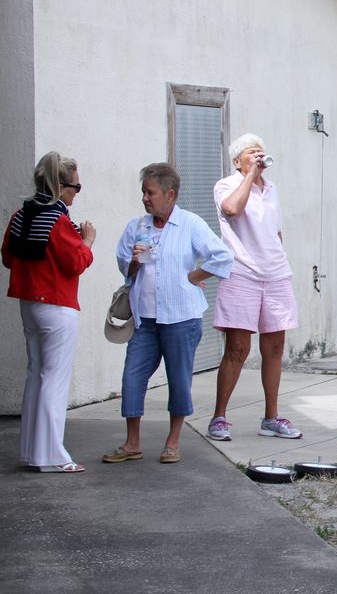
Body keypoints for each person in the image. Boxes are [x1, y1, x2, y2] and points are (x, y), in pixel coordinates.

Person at [102, 163, 232, 465]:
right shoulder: (138, 226)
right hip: (145, 320)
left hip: (181, 318)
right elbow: (125, 267)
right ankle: (132, 442)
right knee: (132, 377)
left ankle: (173, 441)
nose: (145, 198)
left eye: (151, 192)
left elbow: (223, 256)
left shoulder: (190, 224)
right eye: (144, 192)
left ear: (170, 194)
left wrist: (194, 274)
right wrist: (133, 262)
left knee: (178, 379)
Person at [2, 152, 96, 473]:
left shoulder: (19, 215)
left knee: (36, 375)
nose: (75, 193)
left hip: (29, 304)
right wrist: (88, 242)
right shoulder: (58, 220)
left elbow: (7, 257)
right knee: (53, 381)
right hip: (56, 305)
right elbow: (76, 263)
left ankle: (33, 452)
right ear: (60, 185)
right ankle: (53, 455)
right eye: (75, 187)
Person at [207, 134, 301, 442]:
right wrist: (249, 176)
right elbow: (232, 210)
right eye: (252, 153)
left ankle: (271, 417)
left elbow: (276, 232)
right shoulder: (226, 184)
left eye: (262, 151)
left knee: (274, 348)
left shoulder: (272, 189)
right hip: (241, 274)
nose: (260, 156)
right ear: (238, 161)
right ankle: (219, 417)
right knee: (238, 348)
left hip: (275, 276)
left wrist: (280, 262)